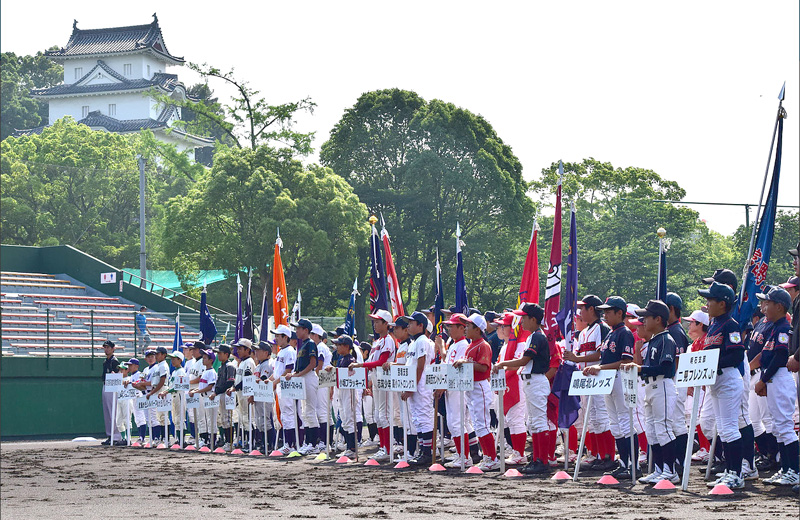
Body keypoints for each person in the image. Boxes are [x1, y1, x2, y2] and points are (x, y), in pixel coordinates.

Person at [624, 300, 679, 484]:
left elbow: (664, 367)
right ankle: (659, 468)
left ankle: (670, 470)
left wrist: (640, 369)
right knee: (652, 431)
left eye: (647, 317)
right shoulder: (654, 340)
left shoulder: (666, 339)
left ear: (658, 319)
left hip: (663, 385)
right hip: (651, 386)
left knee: (663, 429)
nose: (644, 320)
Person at [699, 281, 746, 490]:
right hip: (716, 380)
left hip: (728, 378)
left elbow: (736, 354)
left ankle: (737, 474)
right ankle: (729, 471)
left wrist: (711, 363)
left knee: (729, 428)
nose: (707, 303)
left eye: (711, 299)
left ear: (723, 303)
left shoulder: (731, 324)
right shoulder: (714, 325)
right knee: (724, 429)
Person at [584, 296, 636, 476]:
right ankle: (623, 463)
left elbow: (626, 360)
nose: (605, 314)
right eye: (604, 311)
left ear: (619, 313)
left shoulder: (625, 332)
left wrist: (600, 367)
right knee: (615, 424)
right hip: (607, 380)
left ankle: (633, 465)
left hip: (620, 378)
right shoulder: (611, 333)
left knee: (625, 421)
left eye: (608, 311)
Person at [496, 303, 550, 474]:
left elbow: (524, 360)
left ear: (533, 319)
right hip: (530, 380)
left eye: (524, 318)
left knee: (539, 421)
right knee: (533, 422)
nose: (521, 321)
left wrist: (503, 364)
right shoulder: (532, 336)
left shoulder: (538, 336)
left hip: (536, 379)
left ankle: (542, 460)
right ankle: (537, 459)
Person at [563, 295, 614, 470]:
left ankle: (609, 456)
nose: (579, 311)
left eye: (582, 308)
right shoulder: (583, 332)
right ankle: (599, 455)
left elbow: (602, 355)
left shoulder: (602, 328)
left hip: (599, 377)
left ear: (591, 309)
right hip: (585, 379)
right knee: (590, 419)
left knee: (601, 417)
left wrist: (577, 357)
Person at [755, 286, 799, 486]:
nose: (764, 307)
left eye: (768, 303)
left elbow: (780, 356)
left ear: (780, 307)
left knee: (785, 427)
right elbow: (766, 356)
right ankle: (785, 469)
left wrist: (763, 379)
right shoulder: (773, 327)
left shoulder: (782, 328)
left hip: (780, 378)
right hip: (774, 379)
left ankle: (794, 470)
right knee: (779, 427)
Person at [453, 313, 500, 471]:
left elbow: (484, 367)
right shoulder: (470, 345)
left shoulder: (483, 345)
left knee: (483, 425)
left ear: (478, 329)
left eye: (468, 326)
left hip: (480, 385)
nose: (465, 328)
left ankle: (492, 458)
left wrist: (466, 363)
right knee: (478, 424)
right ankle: (487, 456)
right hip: (471, 387)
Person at [349, 310, 397, 462]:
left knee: (384, 415)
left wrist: (360, 365)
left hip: (385, 379)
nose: (375, 324)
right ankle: (383, 448)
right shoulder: (377, 342)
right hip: (376, 378)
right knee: (378, 415)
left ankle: (388, 449)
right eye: (374, 321)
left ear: (386, 324)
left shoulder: (388, 340)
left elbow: (381, 362)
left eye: (378, 322)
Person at [401, 312, 436, 466]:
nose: (408, 325)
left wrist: (412, 387)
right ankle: (422, 450)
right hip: (415, 384)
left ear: (420, 325)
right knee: (417, 418)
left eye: (411, 323)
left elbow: (421, 366)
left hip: (421, 384)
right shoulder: (414, 342)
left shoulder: (423, 341)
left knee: (424, 417)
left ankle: (427, 453)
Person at [664, 292, 691, 474]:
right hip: (675, 381)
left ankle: (681, 462)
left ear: (671, 309)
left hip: (677, 381)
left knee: (677, 424)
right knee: (674, 423)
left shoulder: (675, 331)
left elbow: (678, 361)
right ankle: (677, 462)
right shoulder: (672, 329)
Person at [287, 319, 320, 455]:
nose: (297, 331)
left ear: (306, 330)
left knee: (310, 411)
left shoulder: (310, 344)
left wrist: (297, 375)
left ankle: (314, 443)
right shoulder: (303, 345)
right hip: (302, 377)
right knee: (305, 412)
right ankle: (308, 442)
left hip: (309, 377)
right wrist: (294, 374)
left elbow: (313, 364)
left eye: (299, 328)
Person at [269, 325, 298, 454]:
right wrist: (269, 380)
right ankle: (287, 443)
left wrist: (275, 381)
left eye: (278, 336)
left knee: (288, 414)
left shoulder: (290, 350)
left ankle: (290, 444)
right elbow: (277, 371)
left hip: (287, 385)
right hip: (280, 385)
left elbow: (288, 370)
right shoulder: (281, 351)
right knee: (284, 415)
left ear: (285, 337)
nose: (276, 338)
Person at [334, 335, 359, 457]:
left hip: (349, 391)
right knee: (344, 418)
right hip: (342, 390)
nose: (337, 347)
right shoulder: (341, 359)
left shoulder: (351, 360)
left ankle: (353, 448)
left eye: (339, 345)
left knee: (349, 418)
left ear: (347, 346)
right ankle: (349, 447)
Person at [230, 338, 256, 449]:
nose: (238, 351)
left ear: (247, 350)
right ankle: (246, 442)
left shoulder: (249, 362)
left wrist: (235, 388)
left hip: (247, 393)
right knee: (243, 418)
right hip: (241, 394)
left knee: (249, 418)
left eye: (240, 348)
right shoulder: (241, 363)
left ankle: (252, 443)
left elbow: (247, 378)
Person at [311, 324, 334, 451]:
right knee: (325, 413)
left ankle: (325, 443)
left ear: (316, 335)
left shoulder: (320, 347)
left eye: (311, 334)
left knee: (322, 412)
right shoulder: (321, 346)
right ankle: (327, 442)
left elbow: (319, 367)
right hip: (325, 379)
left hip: (322, 379)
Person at [210, 344, 236, 450]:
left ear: (226, 354)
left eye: (220, 353)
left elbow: (229, 383)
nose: (218, 355)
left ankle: (230, 442)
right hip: (221, 394)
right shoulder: (221, 367)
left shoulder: (230, 366)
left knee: (228, 418)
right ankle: (226, 441)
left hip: (228, 394)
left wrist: (217, 392)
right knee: (223, 419)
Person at [189, 349, 217, 448]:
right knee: (203, 418)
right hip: (204, 396)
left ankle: (212, 441)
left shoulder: (212, 372)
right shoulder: (205, 371)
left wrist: (196, 391)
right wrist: (195, 390)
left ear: (211, 360)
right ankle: (204, 439)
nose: (203, 360)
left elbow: (210, 386)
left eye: (205, 358)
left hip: (209, 397)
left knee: (210, 420)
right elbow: (202, 386)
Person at [250, 340, 275, 453]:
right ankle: (264, 444)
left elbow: (264, 380)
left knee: (266, 421)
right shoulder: (258, 365)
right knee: (259, 421)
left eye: (258, 350)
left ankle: (270, 444)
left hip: (266, 397)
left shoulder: (268, 364)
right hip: (258, 397)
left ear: (266, 352)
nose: (256, 352)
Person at [159, 350, 186, 444]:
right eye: (172, 359)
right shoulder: (175, 371)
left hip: (179, 395)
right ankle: (179, 440)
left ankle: (182, 440)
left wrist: (166, 391)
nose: (172, 361)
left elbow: (178, 386)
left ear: (180, 360)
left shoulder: (181, 371)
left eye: (174, 359)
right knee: (175, 419)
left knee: (179, 418)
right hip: (174, 396)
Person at [101, 339, 122, 445]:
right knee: (107, 412)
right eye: (105, 347)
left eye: (108, 347)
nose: (106, 349)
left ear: (113, 348)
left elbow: (118, 375)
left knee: (113, 411)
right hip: (106, 385)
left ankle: (116, 436)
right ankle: (110, 435)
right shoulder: (106, 361)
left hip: (112, 387)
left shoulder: (114, 361)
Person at [147, 346, 170, 444]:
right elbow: (155, 381)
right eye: (155, 354)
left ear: (164, 355)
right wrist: (152, 391)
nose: (156, 355)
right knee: (159, 416)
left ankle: (166, 439)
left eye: (158, 354)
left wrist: (152, 392)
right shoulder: (158, 366)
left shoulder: (163, 365)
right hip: (157, 390)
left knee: (164, 416)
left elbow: (162, 381)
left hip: (162, 389)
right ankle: (162, 438)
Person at [123, 358, 147, 444]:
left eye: (130, 365)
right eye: (128, 365)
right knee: (137, 418)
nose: (129, 367)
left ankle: (142, 438)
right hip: (134, 398)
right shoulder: (131, 376)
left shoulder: (139, 374)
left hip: (140, 396)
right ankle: (141, 437)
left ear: (136, 366)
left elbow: (140, 384)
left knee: (141, 417)